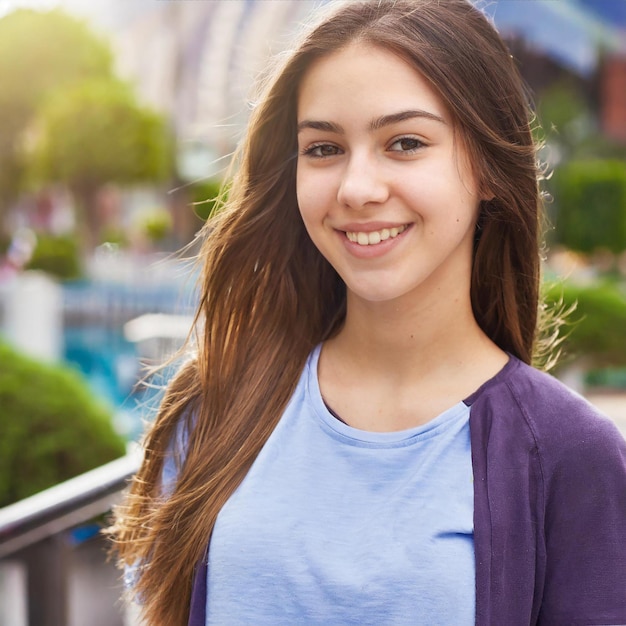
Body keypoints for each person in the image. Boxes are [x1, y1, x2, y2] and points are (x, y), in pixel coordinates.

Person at [108, 1, 626, 624]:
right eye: (323, 148)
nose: (356, 188)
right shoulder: (216, 404)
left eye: (405, 143)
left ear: (490, 166)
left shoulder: (570, 455)